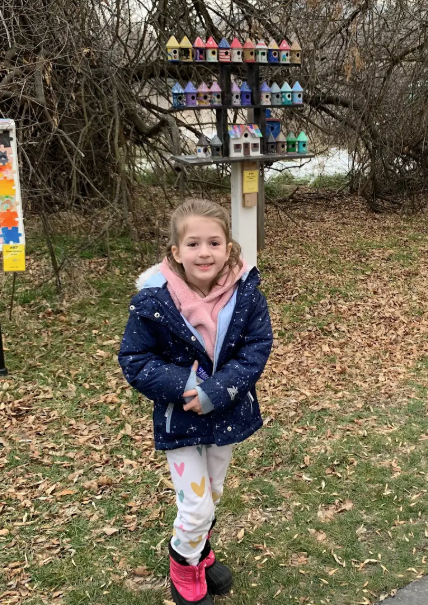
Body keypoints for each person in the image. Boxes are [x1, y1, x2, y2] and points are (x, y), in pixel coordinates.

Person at [118, 198, 273, 604]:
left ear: (228, 247)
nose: (204, 252)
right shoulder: (154, 300)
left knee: (214, 494)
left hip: (225, 413)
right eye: (193, 244)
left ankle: (201, 552)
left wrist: (217, 391)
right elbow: (135, 358)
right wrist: (184, 385)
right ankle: (183, 566)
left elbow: (256, 348)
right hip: (181, 419)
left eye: (214, 243)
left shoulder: (247, 294)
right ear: (176, 251)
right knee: (196, 506)